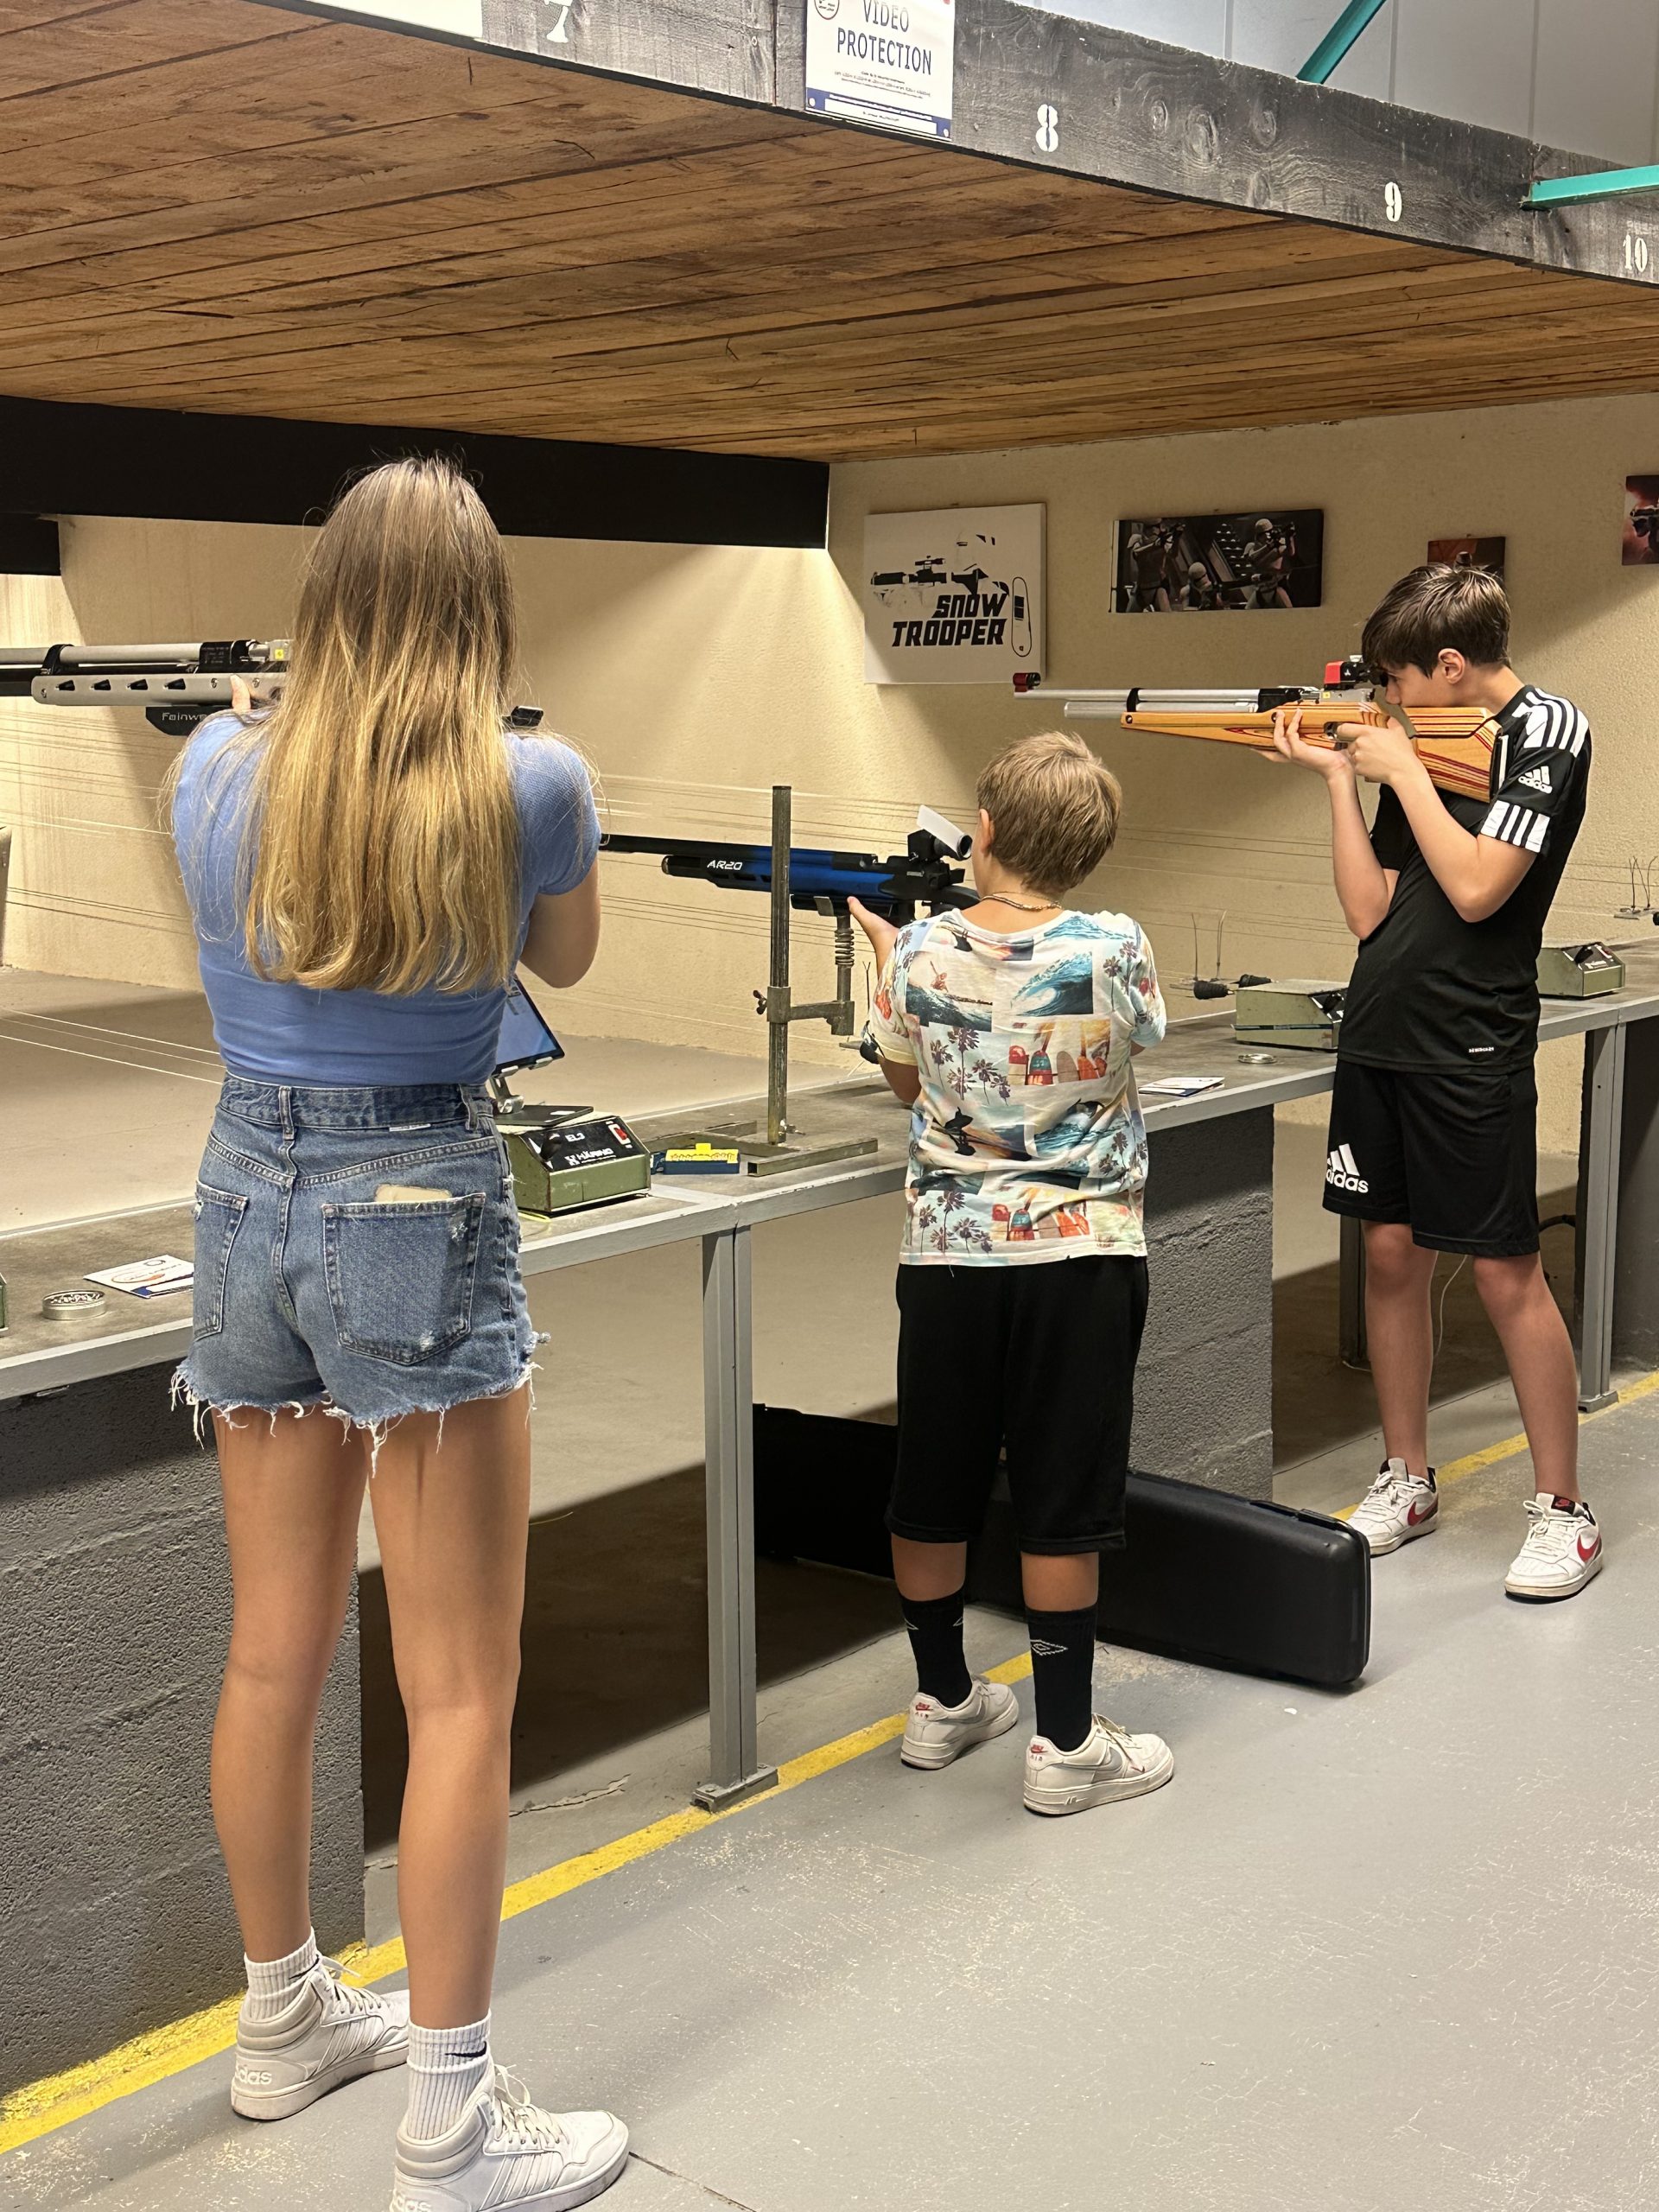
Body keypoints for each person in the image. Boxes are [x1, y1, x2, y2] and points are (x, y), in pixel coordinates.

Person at [167, 458, 629, 2209]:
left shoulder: (215, 765)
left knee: (270, 1654)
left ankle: (283, 2015)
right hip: (417, 1194)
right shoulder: (530, 780)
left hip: (239, 1190)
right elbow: (562, 962)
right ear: (476, 611)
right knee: (457, 1689)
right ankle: (451, 2129)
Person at [849, 729, 1174, 1817]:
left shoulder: (921, 951)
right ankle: (1066, 1743)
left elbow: (907, 1081)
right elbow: (1136, 1037)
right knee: (1061, 1501)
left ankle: (944, 1698)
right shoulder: (1116, 943)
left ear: (983, 830)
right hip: (1080, 1257)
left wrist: (891, 961)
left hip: (950, 1256)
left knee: (932, 1486)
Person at [1271, 563, 1602, 1602]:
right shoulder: (1422, 745)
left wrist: (1404, 767)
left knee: (1505, 1271)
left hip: (1472, 1040)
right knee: (1388, 1256)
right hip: (1382, 1031)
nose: (1390, 696)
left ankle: (1563, 1508)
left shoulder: (1548, 730)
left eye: (1399, 678)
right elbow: (1370, 911)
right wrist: (1342, 780)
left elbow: (1477, 887)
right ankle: (1406, 1475)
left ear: (1450, 665)